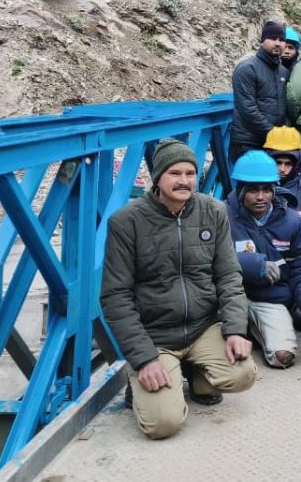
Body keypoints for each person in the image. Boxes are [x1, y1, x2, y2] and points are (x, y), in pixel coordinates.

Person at [101, 139, 257, 439]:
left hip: (202, 326)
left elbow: (229, 275)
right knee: (163, 425)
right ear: (157, 177)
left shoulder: (213, 211)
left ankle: (197, 372)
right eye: (175, 173)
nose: (184, 181)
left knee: (243, 374)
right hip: (156, 335)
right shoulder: (126, 222)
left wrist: (236, 329)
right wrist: (143, 358)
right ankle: (146, 379)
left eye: (190, 173)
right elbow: (115, 297)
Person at [227, 151, 301, 369]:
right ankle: (245, 328)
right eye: (252, 190)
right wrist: (253, 265)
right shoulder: (220, 215)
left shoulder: (291, 220)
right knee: (224, 359)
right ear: (240, 189)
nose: (261, 196)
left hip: (270, 298)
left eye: (266, 189)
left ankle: (256, 329)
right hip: (228, 299)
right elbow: (207, 259)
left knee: (282, 357)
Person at [229, 20, 289, 162]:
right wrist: (273, 133)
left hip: (272, 143)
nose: (278, 43)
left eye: (281, 40)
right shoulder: (247, 68)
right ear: (262, 41)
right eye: (272, 38)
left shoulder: (283, 72)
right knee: (249, 183)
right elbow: (247, 109)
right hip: (248, 141)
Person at [263, 126, 301, 240]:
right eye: (278, 163)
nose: (282, 169)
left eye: (288, 164)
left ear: (296, 164)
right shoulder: (253, 193)